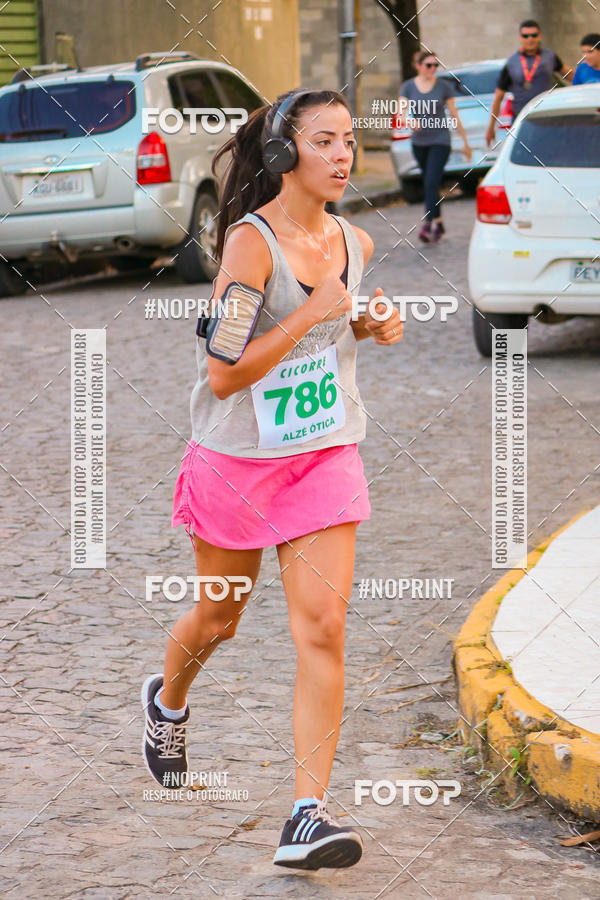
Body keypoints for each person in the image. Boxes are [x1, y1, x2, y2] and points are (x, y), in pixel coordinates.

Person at [141, 88, 404, 871]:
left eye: (348, 139)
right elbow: (225, 373)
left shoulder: (355, 241)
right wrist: (312, 311)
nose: (342, 154)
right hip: (237, 462)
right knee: (218, 619)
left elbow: (335, 324)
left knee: (323, 627)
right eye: (324, 141)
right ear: (285, 153)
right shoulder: (250, 247)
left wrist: (365, 324)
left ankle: (306, 817)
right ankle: (167, 703)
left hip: (323, 453)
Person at [399, 50, 472, 243]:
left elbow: (455, 114)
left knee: (431, 182)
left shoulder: (443, 87)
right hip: (419, 142)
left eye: (435, 65)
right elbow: (401, 113)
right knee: (430, 184)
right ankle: (439, 223)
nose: (433, 69)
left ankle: (427, 225)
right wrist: (410, 121)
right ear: (418, 66)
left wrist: (465, 142)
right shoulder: (408, 87)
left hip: (440, 141)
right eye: (428, 65)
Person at [486, 19, 573, 145]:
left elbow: (570, 75)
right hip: (522, 120)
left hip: (547, 117)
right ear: (520, 37)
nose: (530, 39)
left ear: (539, 36)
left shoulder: (550, 57)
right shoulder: (511, 63)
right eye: (526, 36)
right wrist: (491, 128)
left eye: (534, 35)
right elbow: (498, 96)